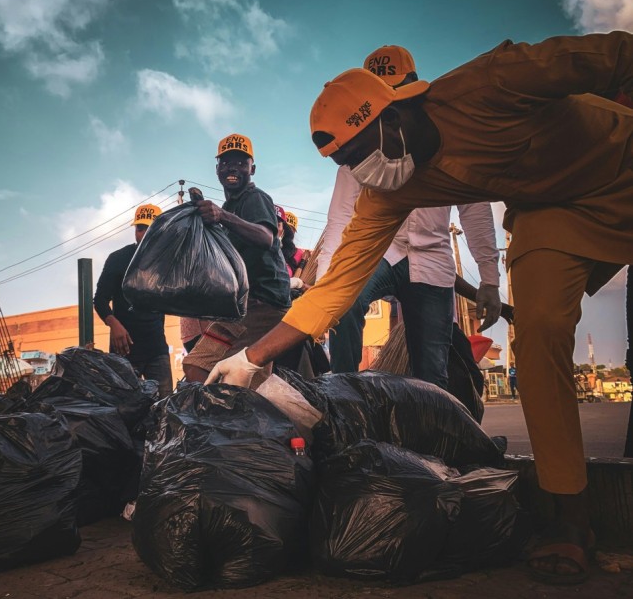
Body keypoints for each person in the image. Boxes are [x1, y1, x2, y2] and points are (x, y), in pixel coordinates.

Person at [207, 32, 633, 584]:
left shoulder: (491, 82)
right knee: (542, 331)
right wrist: (251, 357)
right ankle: (572, 517)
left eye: (361, 154)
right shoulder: (390, 191)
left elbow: (615, 54)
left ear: (396, 108)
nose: (362, 172)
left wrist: (486, 278)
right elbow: (336, 288)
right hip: (551, 212)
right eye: (347, 162)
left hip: (620, 163)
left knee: (440, 360)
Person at [319, 45, 501, 392]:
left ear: (414, 90)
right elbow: (340, 218)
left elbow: (474, 206)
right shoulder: (359, 145)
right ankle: (343, 396)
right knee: (344, 302)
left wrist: (489, 279)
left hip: (432, 259)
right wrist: (328, 284)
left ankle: (437, 437)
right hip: (379, 251)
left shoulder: (447, 135)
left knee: (433, 374)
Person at [181, 133, 291, 389]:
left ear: (252, 168)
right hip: (242, 307)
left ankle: (227, 423)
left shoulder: (255, 198)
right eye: (226, 162)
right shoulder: (228, 207)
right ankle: (252, 423)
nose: (233, 168)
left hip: (263, 304)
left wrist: (221, 217)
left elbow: (265, 238)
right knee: (250, 381)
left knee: (203, 367)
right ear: (218, 169)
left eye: (241, 163)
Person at [94, 204, 174, 398]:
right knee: (125, 409)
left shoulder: (167, 262)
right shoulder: (118, 258)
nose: (144, 234)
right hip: (124, 351)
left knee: (166, 408)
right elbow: (100, 299)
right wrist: (114, 324)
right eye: (140, 228)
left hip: (157, 348)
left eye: (150, 228)